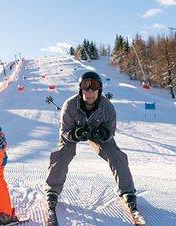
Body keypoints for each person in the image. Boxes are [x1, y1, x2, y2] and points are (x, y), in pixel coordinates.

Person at [44, 71, 138, 212]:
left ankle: (127, 191)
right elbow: (64, 131)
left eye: (93, 88)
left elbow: (110, 131)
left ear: (99, 91)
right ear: (80, 89)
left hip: (97, 134)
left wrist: (103, 133)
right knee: (64, 152)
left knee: (115, 154)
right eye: (85, 87)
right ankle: (52, 190)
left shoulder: (107, 107)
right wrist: (75, 134)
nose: (90, 92)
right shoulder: (69, 105)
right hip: (74, 132)